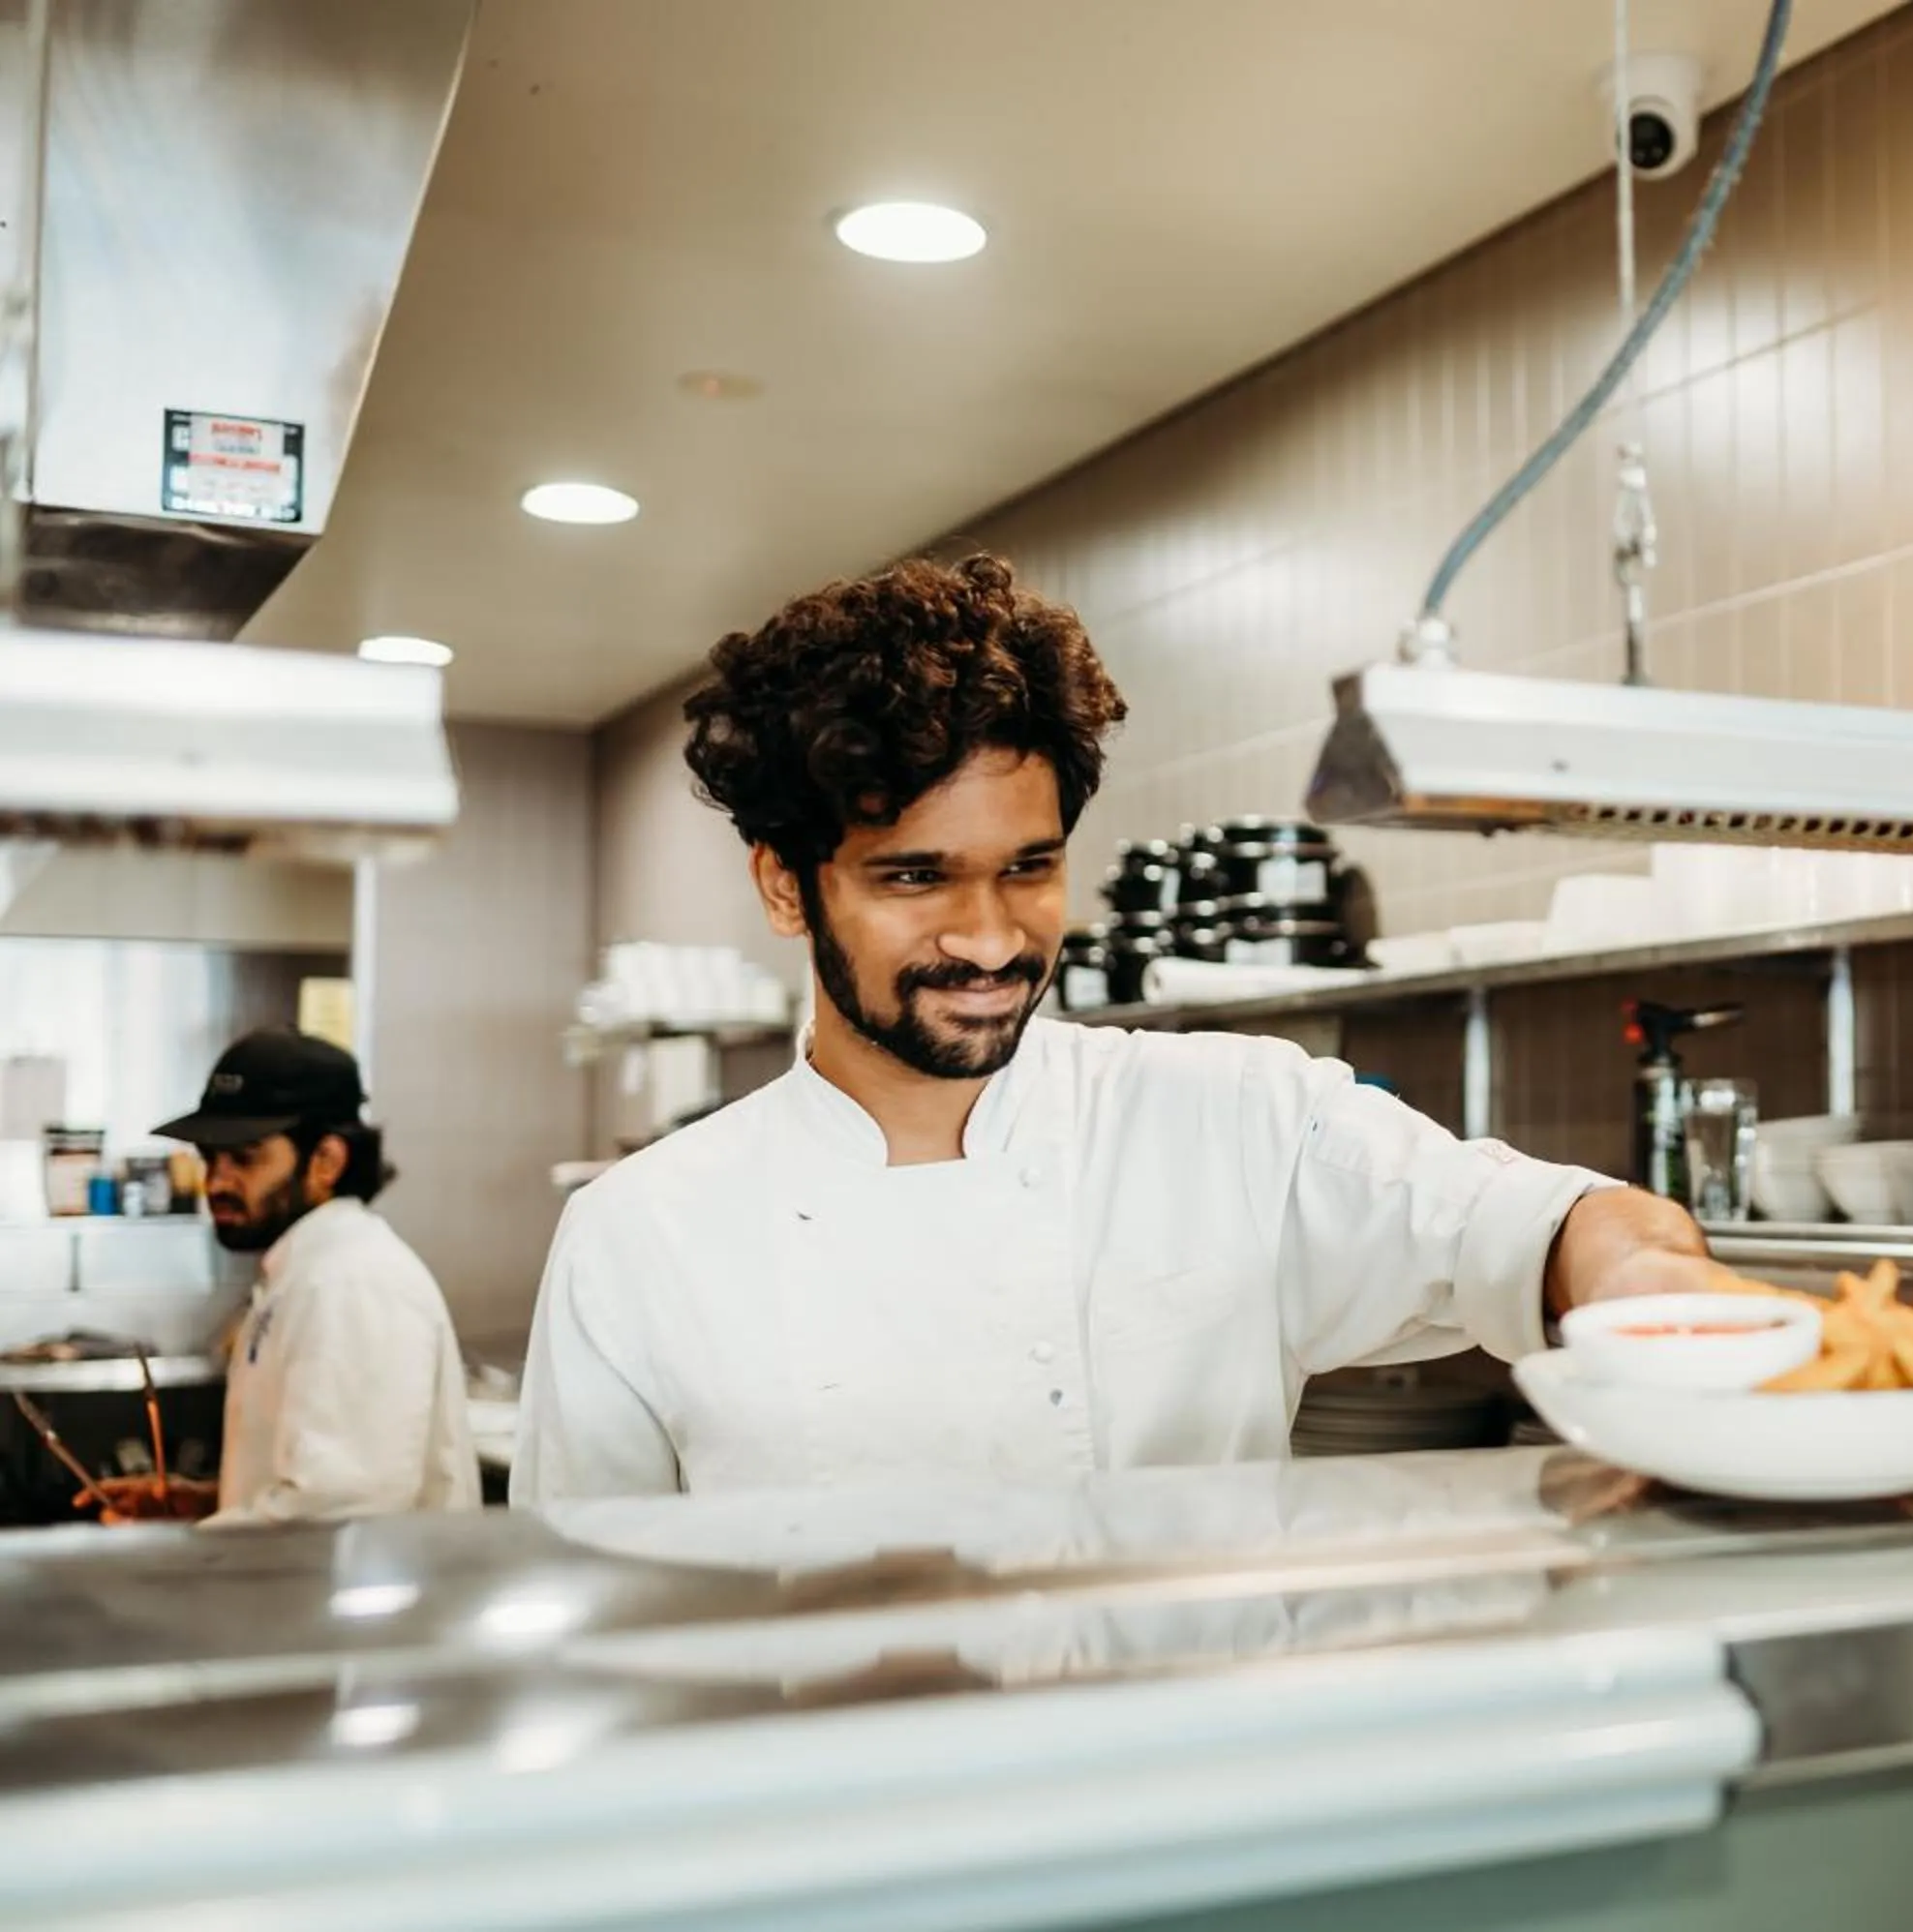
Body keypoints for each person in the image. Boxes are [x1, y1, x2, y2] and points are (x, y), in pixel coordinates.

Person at [514, 555, 1740, 1502]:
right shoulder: (642, 1235)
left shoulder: (1235, 1117)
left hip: (1191, 1797)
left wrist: (1650, 1278)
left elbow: (1539, 1222)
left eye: (1029, 867)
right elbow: (596, 1627)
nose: (991, 937)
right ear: (786, 884)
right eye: (914, 878)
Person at [155, 1030, 480, 1524]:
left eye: (244, 1158)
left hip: (351, 1596)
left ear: (326, 1161)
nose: (216, 1182)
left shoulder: (351, 1280)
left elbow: (339, 1504)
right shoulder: (309, 1270)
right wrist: (210, 1502)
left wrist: (186, 1551)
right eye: (209, 1158)